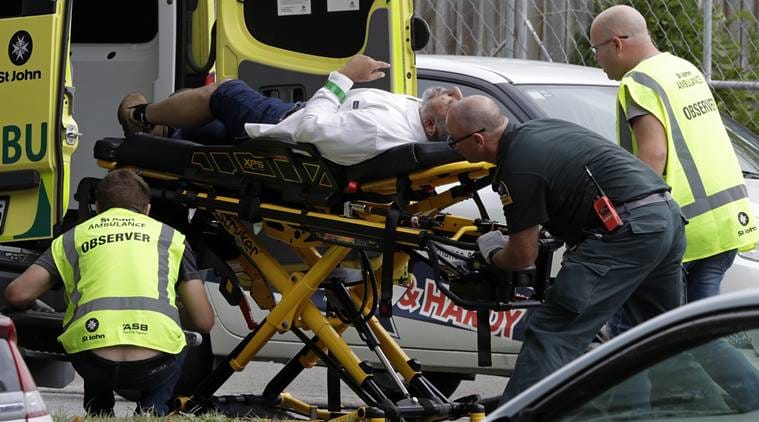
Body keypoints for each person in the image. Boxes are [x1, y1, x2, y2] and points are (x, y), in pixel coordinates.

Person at [445, 95, 686, 403]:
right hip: (665, 217)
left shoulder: (517, 166)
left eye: (453, 142)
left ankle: (519, 413)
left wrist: (492, 251)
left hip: (626, 232)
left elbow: (522, 256)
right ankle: (719, 404)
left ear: (478, 140)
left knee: (552, 332)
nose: (453, 148)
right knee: (669, 334)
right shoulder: (543, 128)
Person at [4, 168, 215, 416]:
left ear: (98, 208)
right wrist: (178, 312)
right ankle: (151, 411)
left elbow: (17, 294)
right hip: (154, 365)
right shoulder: (171, 238)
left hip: (93, 362)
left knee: (89, 332)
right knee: (181, 341)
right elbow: (203, 322)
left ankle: (99, 410)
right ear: (147, 209)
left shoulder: (74, 237)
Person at [590, 5, 758, 314]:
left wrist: (625, 217)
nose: (596, 59)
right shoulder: (683, 69)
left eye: (596, 49)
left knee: (644, 328)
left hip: (684, 229)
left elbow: (653, 155)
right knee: (700, 326)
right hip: (725, 221)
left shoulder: (639, 82)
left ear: (616, 44)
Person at [117, 54, 462, 166]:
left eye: (452, 101)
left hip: (287, 126)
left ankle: (140, 116)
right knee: (212, 126)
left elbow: (310, 129)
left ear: (432, 127)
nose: (452, 92)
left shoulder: (380, 130)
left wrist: (344, 77)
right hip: (295, 117)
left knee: (225, 91)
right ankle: (164, 131)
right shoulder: (418, 118)